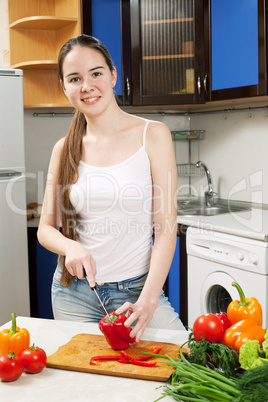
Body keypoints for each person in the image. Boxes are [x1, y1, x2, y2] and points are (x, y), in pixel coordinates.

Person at [37, 34, 185, 342]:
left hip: (136, 294)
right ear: (65, 88)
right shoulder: (63, 149)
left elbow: (166, 228)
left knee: (181, 369)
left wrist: (148, 301)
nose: (87, 86)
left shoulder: (153, 136)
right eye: (75, 78)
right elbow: (46, 229)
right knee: (86, 383)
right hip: (73, 294)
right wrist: (70, 247)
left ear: (113, 75)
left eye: (96, 73)